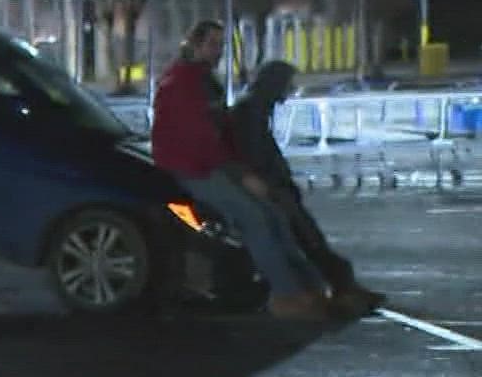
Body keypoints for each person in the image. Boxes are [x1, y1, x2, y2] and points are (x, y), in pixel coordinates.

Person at [149, 20, 338, 320]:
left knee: (272, 215)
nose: (219, 51)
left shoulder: (198, 80)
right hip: (193, 169)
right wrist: (242, 175)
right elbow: (201, 139)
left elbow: (215, 134)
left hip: (205, 165)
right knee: (257, 220)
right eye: (213, 44)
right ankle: (287, 293)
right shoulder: (184, 83)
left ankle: (306, 286)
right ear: (194, 45)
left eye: (221, 45)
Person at [230, 60, 384, 315]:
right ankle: (337, 288)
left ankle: (338, 286)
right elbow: (257, 156)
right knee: (307, 237)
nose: (291, 89)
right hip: (271, 188)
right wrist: (278, 183)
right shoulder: (252, 113)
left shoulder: (255, 109)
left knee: (307, 237)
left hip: (274, 185)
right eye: (288, 84)